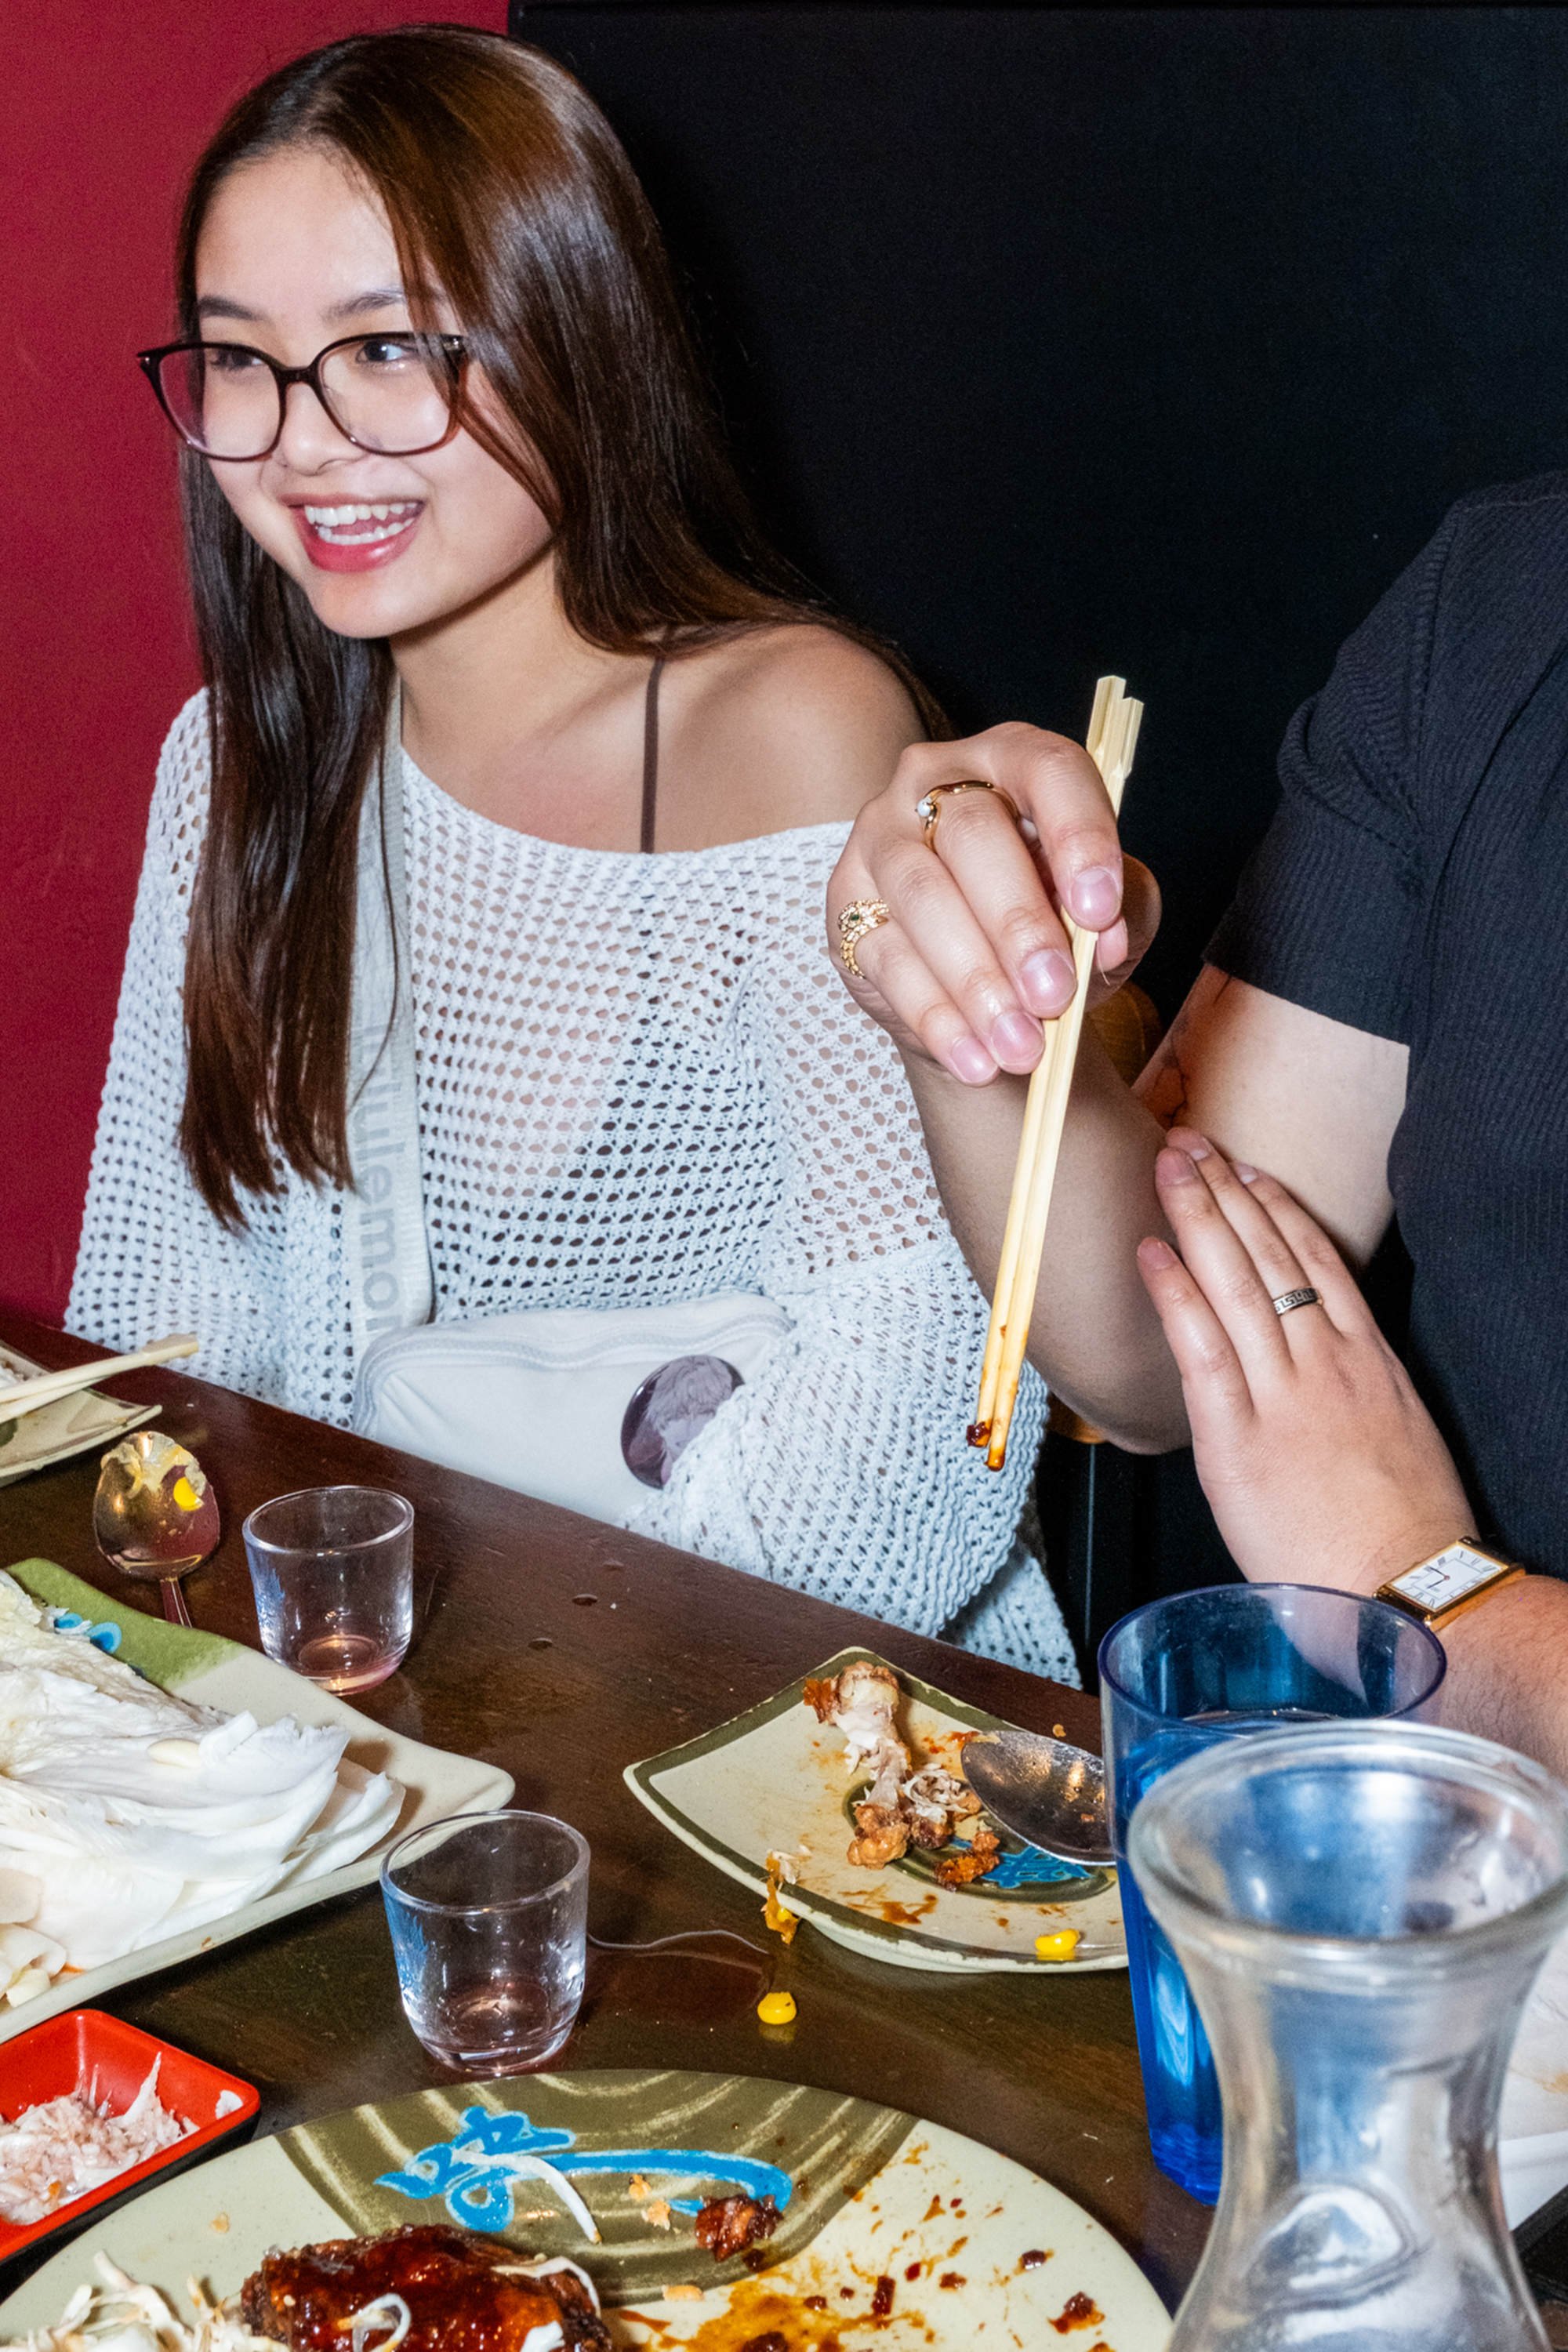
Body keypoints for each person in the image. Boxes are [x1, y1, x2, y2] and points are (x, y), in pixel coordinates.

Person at [69, 27, 1080, 1676]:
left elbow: (911, 1459)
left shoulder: (793, 732)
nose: (301, 441)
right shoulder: (243, 764)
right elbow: (165, 1349)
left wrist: (462, 1643)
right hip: (367, 1688)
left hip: (803, 1718)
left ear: (574, 330)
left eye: (387, 348)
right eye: (239, 361)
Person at [828, 475, 1568, 1766]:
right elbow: (1159, 1358)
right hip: (1435, 1874)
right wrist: (976, 1018)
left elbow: (1373, 1561)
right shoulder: (1501, 604)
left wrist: (1416, 1582)